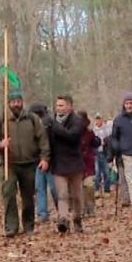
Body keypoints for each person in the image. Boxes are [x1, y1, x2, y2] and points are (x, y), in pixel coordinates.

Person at [0, 90, 49, 236]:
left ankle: (28, 225)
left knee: (28, 196)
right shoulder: (3, 120)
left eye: (18, 101)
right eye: (13, 102)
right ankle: (11, 227)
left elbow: (43, 139)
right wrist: (1, 144)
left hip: (29, 163)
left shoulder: (32, 119)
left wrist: (44, 158)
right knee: (9, 194)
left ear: (22, 102)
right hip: (9, 164)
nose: (16, 105)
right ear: (9, 104)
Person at [45, 95, 88, 233]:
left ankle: (77, 219)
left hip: (74, 163)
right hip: (58, 163)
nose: (58, 108)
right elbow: (47, 143)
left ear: (70, 106)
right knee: (62, 194)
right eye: (57, 106)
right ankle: (63, 219)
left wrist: (55, 126)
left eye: (62, 105)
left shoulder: (77, 121)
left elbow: (72, 136)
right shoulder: (51, 123)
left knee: (76, 195)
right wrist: (46, 159)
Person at [29, 102, 60, 222]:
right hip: (39, 160)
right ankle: (43, 213)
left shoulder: (47, 123)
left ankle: (51, 212)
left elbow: (51, 142)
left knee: (50, 188)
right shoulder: (35, 124)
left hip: (49, 161)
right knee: (41, 188)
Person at [78, 110, 99, 217]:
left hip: (88, 163)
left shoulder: (90, 132)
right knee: (79, 188)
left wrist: (97, 141)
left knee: (89, 186)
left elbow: (94, 145)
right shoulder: (72, 132)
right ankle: (81, 209)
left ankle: (90, 208)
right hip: (76, 163)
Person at [91, 113, 114, 196]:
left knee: (107, 172)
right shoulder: (93, 131)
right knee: (96, 173)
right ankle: (97, 189)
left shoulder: (107, 130)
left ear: (102, 120)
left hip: (105, 153)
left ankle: (107, 190)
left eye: (99, 119)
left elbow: (110, 141)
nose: (97, 121)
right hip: (96, 154)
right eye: (96, 119)